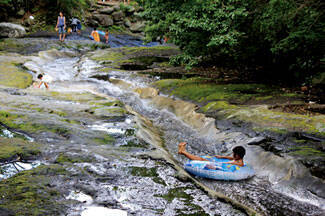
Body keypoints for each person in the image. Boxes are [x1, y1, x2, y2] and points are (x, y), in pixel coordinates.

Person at [178, 142, 246, 168]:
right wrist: (221, 157)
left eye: (234, 153)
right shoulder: (237, 159)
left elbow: (230, 163)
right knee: (201, 159)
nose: (233, 154)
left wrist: (218, 163)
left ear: (237, 155)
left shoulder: (239, 163)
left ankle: (183, 152)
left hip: (218, 166)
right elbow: (231, 158)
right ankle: (183, 151)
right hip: (218, 164)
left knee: (201, 160)